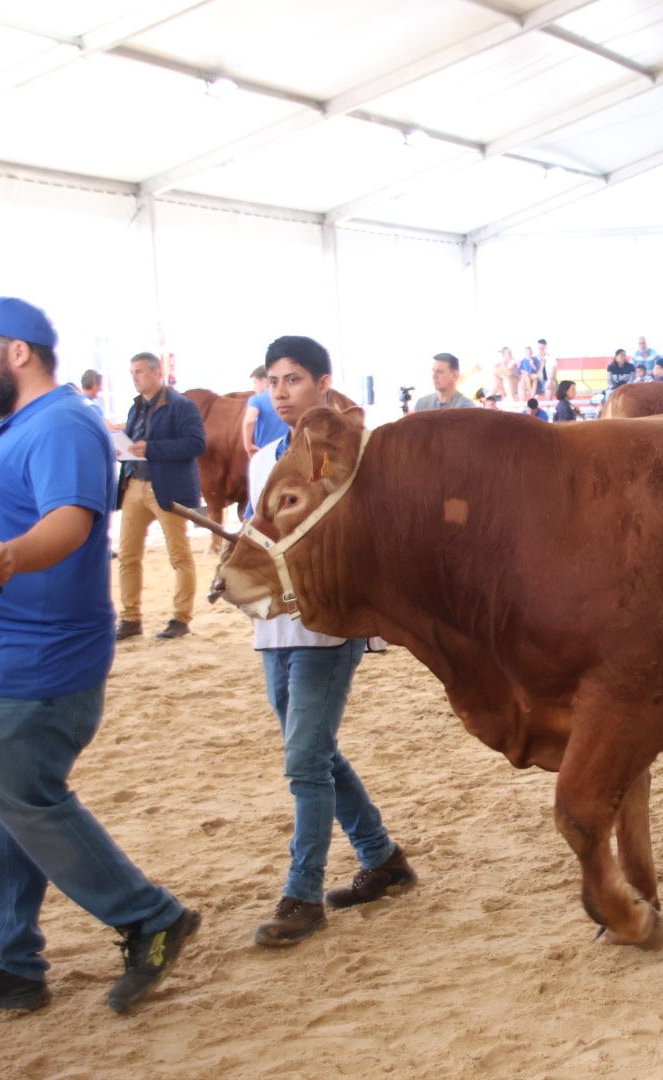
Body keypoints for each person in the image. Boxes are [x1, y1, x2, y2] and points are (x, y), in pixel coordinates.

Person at [0, 297, 198, 1015]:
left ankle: (149, 916)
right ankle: (12, 960)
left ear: (18, 352)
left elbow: (72, 519)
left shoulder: (64, 421)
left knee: (26, 801)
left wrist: (14, 554)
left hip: (34, 662)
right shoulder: (16, 426)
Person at [247, 335, 416, 947]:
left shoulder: (353, 459)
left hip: (328, 625)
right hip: (272, 626)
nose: (281, 392)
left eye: (292, 379)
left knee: (304, 759)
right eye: (272, 381)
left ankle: (302, 894)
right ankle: (384, 857)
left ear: (323, 383)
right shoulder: (262, 457)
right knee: (313, 752)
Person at [115, 352, 205, 642]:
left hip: (166, 488)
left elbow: (196, 444)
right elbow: (136, 443)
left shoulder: (181, 406)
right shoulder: (136, 408)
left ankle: (181, 618)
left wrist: (150, 449)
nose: (135, 377)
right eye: (132, 372)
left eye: (139, 371)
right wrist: (124, 451)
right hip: (135, 484)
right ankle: (130, 618)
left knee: (179, 555)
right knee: (128, 555)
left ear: (157, 373)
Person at [242, 364, 290, 458]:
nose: (253, 387)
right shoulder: (287, 397)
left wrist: (248, 445)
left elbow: (249, 421)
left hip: (266, 453)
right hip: (289, 453)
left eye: (255, 382)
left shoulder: (256, 400)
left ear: (264, 381)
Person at [412, 352, 477, 411]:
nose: (433, 376)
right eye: (433, 371)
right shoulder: (422, 405)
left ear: (455, 375)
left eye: (440, 372)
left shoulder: (467, 408)